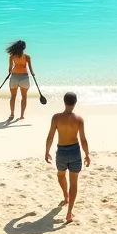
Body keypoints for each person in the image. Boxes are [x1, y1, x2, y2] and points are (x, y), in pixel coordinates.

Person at [45, 92, 91, 223]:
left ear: (64, 102)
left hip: (62, 152)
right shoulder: (79, 120)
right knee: (74, 182)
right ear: (75, 103)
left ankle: (66, 196)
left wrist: (47, 151)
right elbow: (83, 139)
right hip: (75, 151)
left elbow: (50, 136)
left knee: (60, 175)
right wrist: (87, 154)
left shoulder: (56, 118)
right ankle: (69, 213)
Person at [6, 40, 35, 121]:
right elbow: (30, 68)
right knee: (24, 97)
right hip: (24, 77)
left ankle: (12, 114)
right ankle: (22, 115)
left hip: (14, 76)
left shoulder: (12, 56)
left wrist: (10, 72)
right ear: (24, 48)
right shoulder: (27, 57)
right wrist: (33, 74)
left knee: (13, 97)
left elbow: (10, 68)